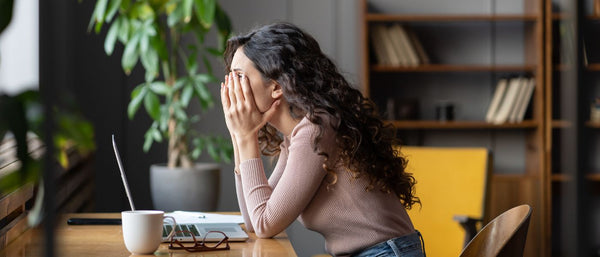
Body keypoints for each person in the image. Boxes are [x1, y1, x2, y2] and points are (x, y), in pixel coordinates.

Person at [220, 22, 425, 257]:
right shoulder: (298, 135)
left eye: (239, 77)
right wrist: (240, 136)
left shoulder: (316, 129)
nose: (230, 88)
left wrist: (246, 136)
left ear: (276, 86)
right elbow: (255, 221)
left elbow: (265, 223)